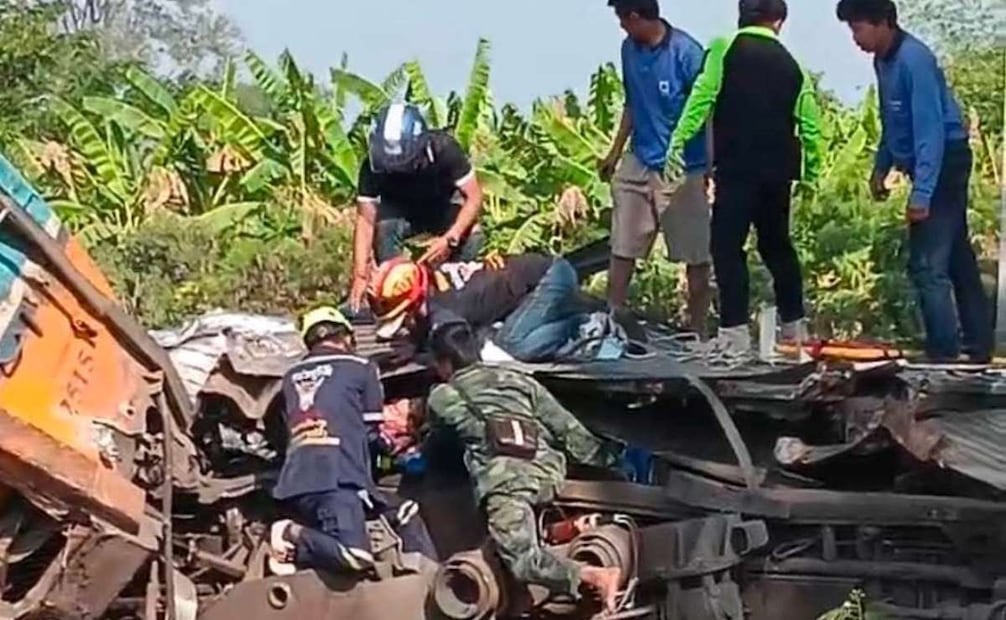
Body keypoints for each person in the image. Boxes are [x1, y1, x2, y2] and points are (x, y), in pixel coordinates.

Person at [423, 322, 626, 612]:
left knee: (523, 561)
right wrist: (613, 467)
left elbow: (437, 443)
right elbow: (569, 431)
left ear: (444, 363)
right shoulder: (516, 379)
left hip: (507, 482)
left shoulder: (442, 395)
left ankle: (594, 575)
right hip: (549, 473)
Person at [835, 0, 992, 363]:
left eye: (859, 28)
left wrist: (922, 193)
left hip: (943, 161)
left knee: (927, 265)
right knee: (957, 259)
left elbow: (929, 130)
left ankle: (944, 352)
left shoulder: (914, 60)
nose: (855, 38)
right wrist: (881, 166)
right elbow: (892, 121)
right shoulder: (882, 61)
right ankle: (978, 344)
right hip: (923, 161)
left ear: (883, 23)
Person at [665, 0, 823, 356]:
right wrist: (811, 174)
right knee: (777, 246)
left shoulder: (724, 47)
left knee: (726, 245)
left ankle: (734, 333)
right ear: (779, 21)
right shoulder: (792, 63)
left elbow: (703, 97)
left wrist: (678, 140)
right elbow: (810, 126)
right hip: (779, 170)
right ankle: (795, 328)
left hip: (737, 167)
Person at [269, 307, 435, 575]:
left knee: (405, 511)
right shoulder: (361, 368)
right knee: (354, 555)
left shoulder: (289, 377)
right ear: (346, 337)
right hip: (337, 479)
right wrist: (397, 459)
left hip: (296, 482)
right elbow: (371, 435)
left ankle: (422, 578)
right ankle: (290, 535)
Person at [599, 0, 713, 337]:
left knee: (695, 254)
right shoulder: (629, 50)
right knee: (622, 246)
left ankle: (698, 332)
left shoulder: (687, 53)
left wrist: (711, 165)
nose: (621, 27)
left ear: (635, 17)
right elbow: (632, 104)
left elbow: (708, 111)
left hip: (682, 166)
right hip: (639, 159)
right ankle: (610, 320)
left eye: (623, 20)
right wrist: (614, 153)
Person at [348, 102, 485, 311]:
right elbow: (365, 220)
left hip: (441, 206)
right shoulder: (371, 166)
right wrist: (360, 275)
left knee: (473, 234)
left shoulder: (445, 149)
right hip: (402, 212)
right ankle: (393, 292)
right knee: (384, 228)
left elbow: (474, 197)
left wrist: (450, 238)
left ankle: (456, 291)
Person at [367, 252, 588, 363]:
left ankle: (580, 325)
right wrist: (414, 344)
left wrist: (421, 355)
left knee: (510, 348)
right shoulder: (435, 284)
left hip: (551, 276)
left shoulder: (450, 308)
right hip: (530, 282)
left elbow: (464, 357)